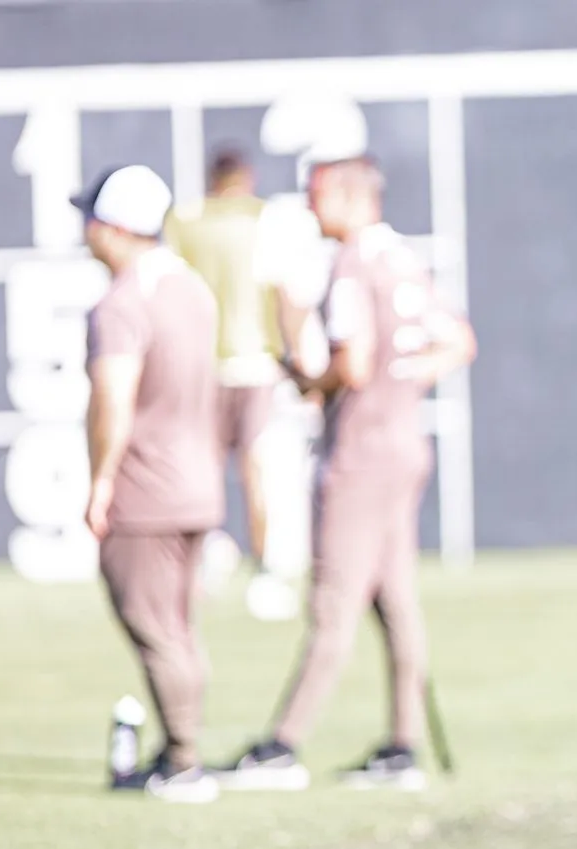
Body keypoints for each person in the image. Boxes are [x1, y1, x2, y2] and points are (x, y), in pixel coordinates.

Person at [214, 155, 476, 791]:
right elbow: (458, 342)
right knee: (394, 604)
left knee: (332, 604)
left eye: (317, 195)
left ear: (350, 197)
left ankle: (282, 747)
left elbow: (352, 365)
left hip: (360, 458)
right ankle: (402, 747)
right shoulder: (401, 259)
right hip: (403, 447)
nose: (309, 208)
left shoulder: (355, 264)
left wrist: (310, 380)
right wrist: (402, 381)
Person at [77, 164, 224, 803]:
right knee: (179, 628)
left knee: (154, 628)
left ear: (113, 227)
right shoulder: (190, 288)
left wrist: (101, 480)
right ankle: (177, 751)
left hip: (146, 490)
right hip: (197, 484)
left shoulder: (123, 301)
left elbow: (113, 395)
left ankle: (185, 762)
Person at [163, 147, 306, 618]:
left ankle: (206, 554)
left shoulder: (184, 222)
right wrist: (296, 354)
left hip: (201, 364)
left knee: (203, 466)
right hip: (255, 364)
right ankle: (263, 569)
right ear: (245, 178)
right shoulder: (264, 220)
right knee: (255, 468)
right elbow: (285, 293)